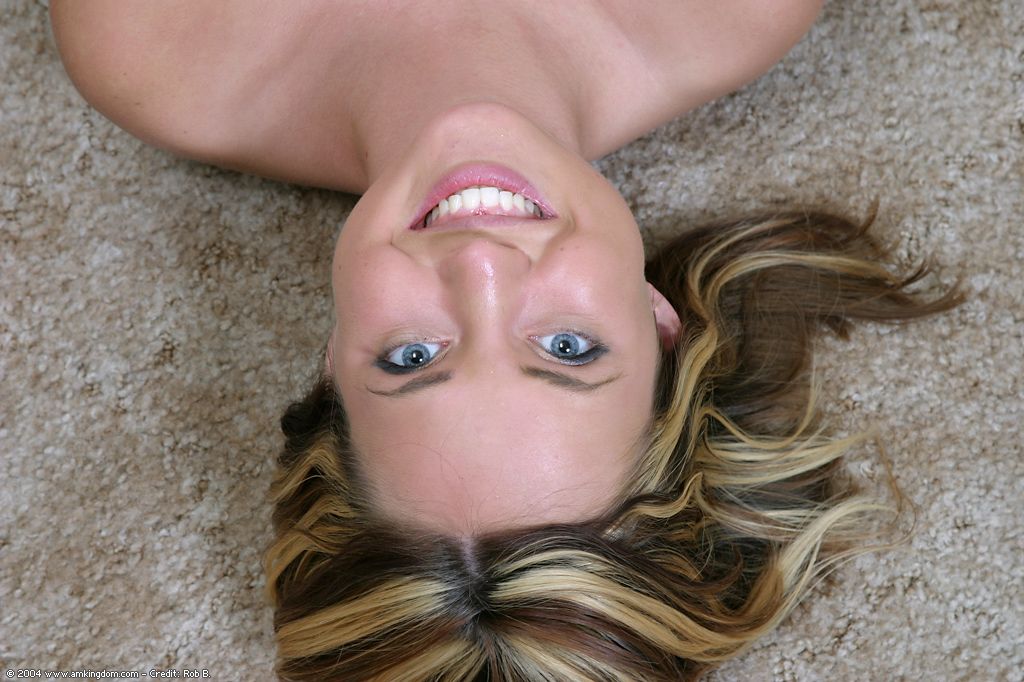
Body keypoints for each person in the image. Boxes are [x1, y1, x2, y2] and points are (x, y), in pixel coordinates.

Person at [50, 2, 962, 680]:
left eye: (414, 358)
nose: (481, 266)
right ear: (657, 321)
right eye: (567, 348)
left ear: (330, 366)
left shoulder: (151, 44)